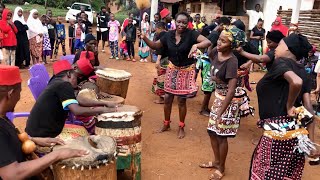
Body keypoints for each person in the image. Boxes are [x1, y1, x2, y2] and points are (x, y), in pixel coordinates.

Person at [249, 33, 320, 180]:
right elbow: (309, 110)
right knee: (286, 175)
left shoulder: (281, 63)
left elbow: (296, 82)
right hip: (296, 135)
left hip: (277, 136)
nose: (275, 48)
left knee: (264, 173)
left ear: (289, 50)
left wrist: (289, 106)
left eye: (280, 44)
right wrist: (311, 142)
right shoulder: (303, 72)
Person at [0, 65, 89, 180]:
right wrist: (57, 155)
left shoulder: (3, 117)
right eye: (19, 92)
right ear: (10, 94)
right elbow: (12, 174)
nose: (19, 97)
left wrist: (35, 139)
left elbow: (10, 141)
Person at [140, 12, 211, 139]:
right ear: (175, 21)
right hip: (172, 69)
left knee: (181, 100)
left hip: (186, 70)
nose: (181, 25)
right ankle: (166, 124)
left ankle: (181, 126)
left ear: (187, 22)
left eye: (184, 22)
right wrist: (144, 38)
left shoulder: (191, 34)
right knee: (167, 98)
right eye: (179, 22)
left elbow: (207, 42)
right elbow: (155, 45)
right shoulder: (168, 35)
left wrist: (196, 45)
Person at [200, 25, 246, 180]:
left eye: (224, 42)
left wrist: (221, 111)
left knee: (221, 136)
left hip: (229, 101)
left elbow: (231, 90)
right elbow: (209, 50)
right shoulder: (215, 52)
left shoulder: (232, 61)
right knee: (212, 132)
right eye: (219, 40)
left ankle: (221, 168)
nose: (219, 43)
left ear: (231, 45)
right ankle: (216, 161)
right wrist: (216, 33)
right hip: (218, 98)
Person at [25, 60, 115, 138]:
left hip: (35, 131)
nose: (77, 82)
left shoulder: (56, 83)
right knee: (86, 140)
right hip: (44, 135)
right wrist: (103, 110)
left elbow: (80, 101)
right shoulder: (64, 85)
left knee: (85, 133)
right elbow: (76, 110)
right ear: (69, 74)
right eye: (76, 77)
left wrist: (103, 103)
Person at [152, 22, 168, 104]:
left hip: (163, 59)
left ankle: (162, 98)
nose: (155, 30)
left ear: (159, 28)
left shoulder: (161, 35)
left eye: (156, 28)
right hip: (169, 59)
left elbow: (160, 49)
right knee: (167, 78)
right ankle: (166, 96)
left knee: (161, 78)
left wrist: (158, 60)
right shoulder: (169, 34)